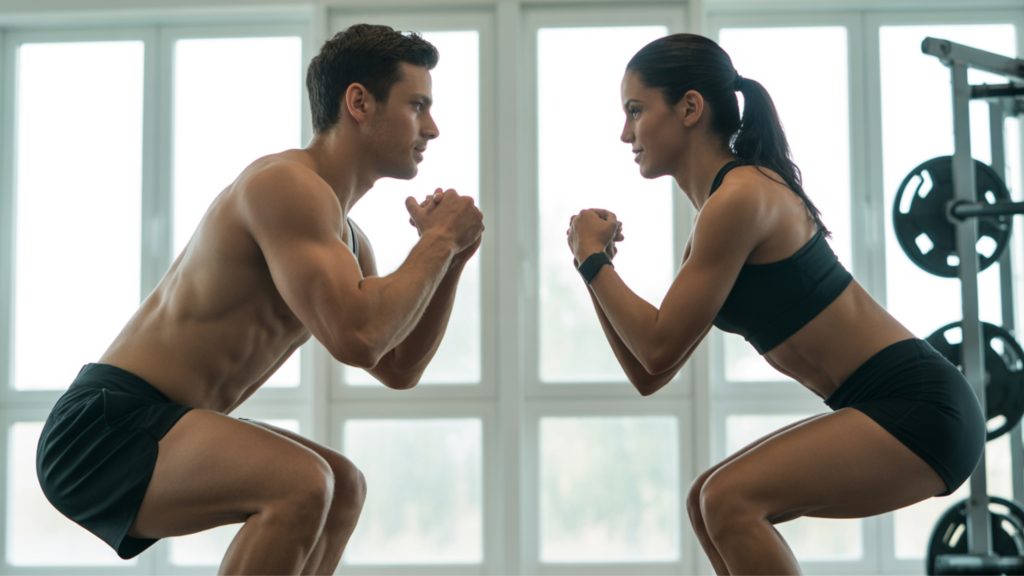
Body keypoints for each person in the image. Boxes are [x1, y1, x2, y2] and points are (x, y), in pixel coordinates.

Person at [36, 23, 483, 575]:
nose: (433, 128)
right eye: (418, 105)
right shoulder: (287, 186)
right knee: (301, 483)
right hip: (104, 426)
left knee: (342, 487)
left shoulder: (347, 235)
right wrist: (437, 242)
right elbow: (358, 337)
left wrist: (451, 258)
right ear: (359, 103)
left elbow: (397, 364)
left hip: (163, 421)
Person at [566, 33, 984, 575]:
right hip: (892, 405)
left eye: (636, 110)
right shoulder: (720, 210)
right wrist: (593, 266)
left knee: (728, 499)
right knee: (706, 500)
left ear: (690, 107)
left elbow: (656, 347)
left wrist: (593, 259)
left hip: (923, 407)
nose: (625, 133)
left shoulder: (741, 197)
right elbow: (649, 371)